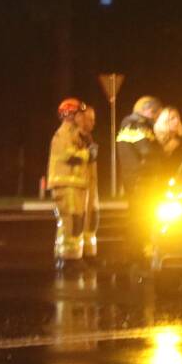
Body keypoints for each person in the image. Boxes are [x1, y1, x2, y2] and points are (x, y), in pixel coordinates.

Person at [48, 98, 93, 266]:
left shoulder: (75, 133)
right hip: (66, 185)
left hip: (74, 185)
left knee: (74, 222)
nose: (82, 118)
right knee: (71, 221)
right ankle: (69, 259)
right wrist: (87, 154)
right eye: (79, 114)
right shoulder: (63, 133)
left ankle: (70, 256)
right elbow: (67, 155)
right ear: (70, 115)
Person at [117, 96, 162, 198]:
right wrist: (160, 150)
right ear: (150, 111)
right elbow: (146, 150)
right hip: (138, 180)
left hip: (142, 179)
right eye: (157, 116)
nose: (156, 120)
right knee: (140, 211)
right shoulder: (132, 124)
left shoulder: (143, 125)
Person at [77, 105, 100, 260]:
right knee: (78, 224)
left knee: (92, 221)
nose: (93, 123)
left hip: (90, 189)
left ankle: (89, 254)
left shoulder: (88, 137)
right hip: (80, 189)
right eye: (90, 119)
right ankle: (77, 257)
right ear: (81, 119)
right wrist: (88, 153)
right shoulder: (75, 137)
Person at [154, 106, 182, 172]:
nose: (177, 121)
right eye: (172, 118)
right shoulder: (157, 140)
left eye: (178, 117)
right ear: (164, 121)